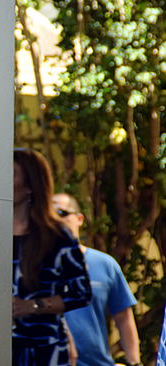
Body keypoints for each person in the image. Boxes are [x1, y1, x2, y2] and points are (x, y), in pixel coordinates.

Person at [12, 148, 91, 366]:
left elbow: (81, 293)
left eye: (12, 174)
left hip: (47, 350)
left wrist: (32, 306)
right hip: (3, 348)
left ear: (30, 186)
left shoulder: (57, 236)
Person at [52, 193, 142, 366]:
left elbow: (124, 318)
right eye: (51, 215)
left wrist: (134, 363)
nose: (56, 219)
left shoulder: (105, 264)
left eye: (62, 213)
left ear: (79, 219)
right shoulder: (35, 265)